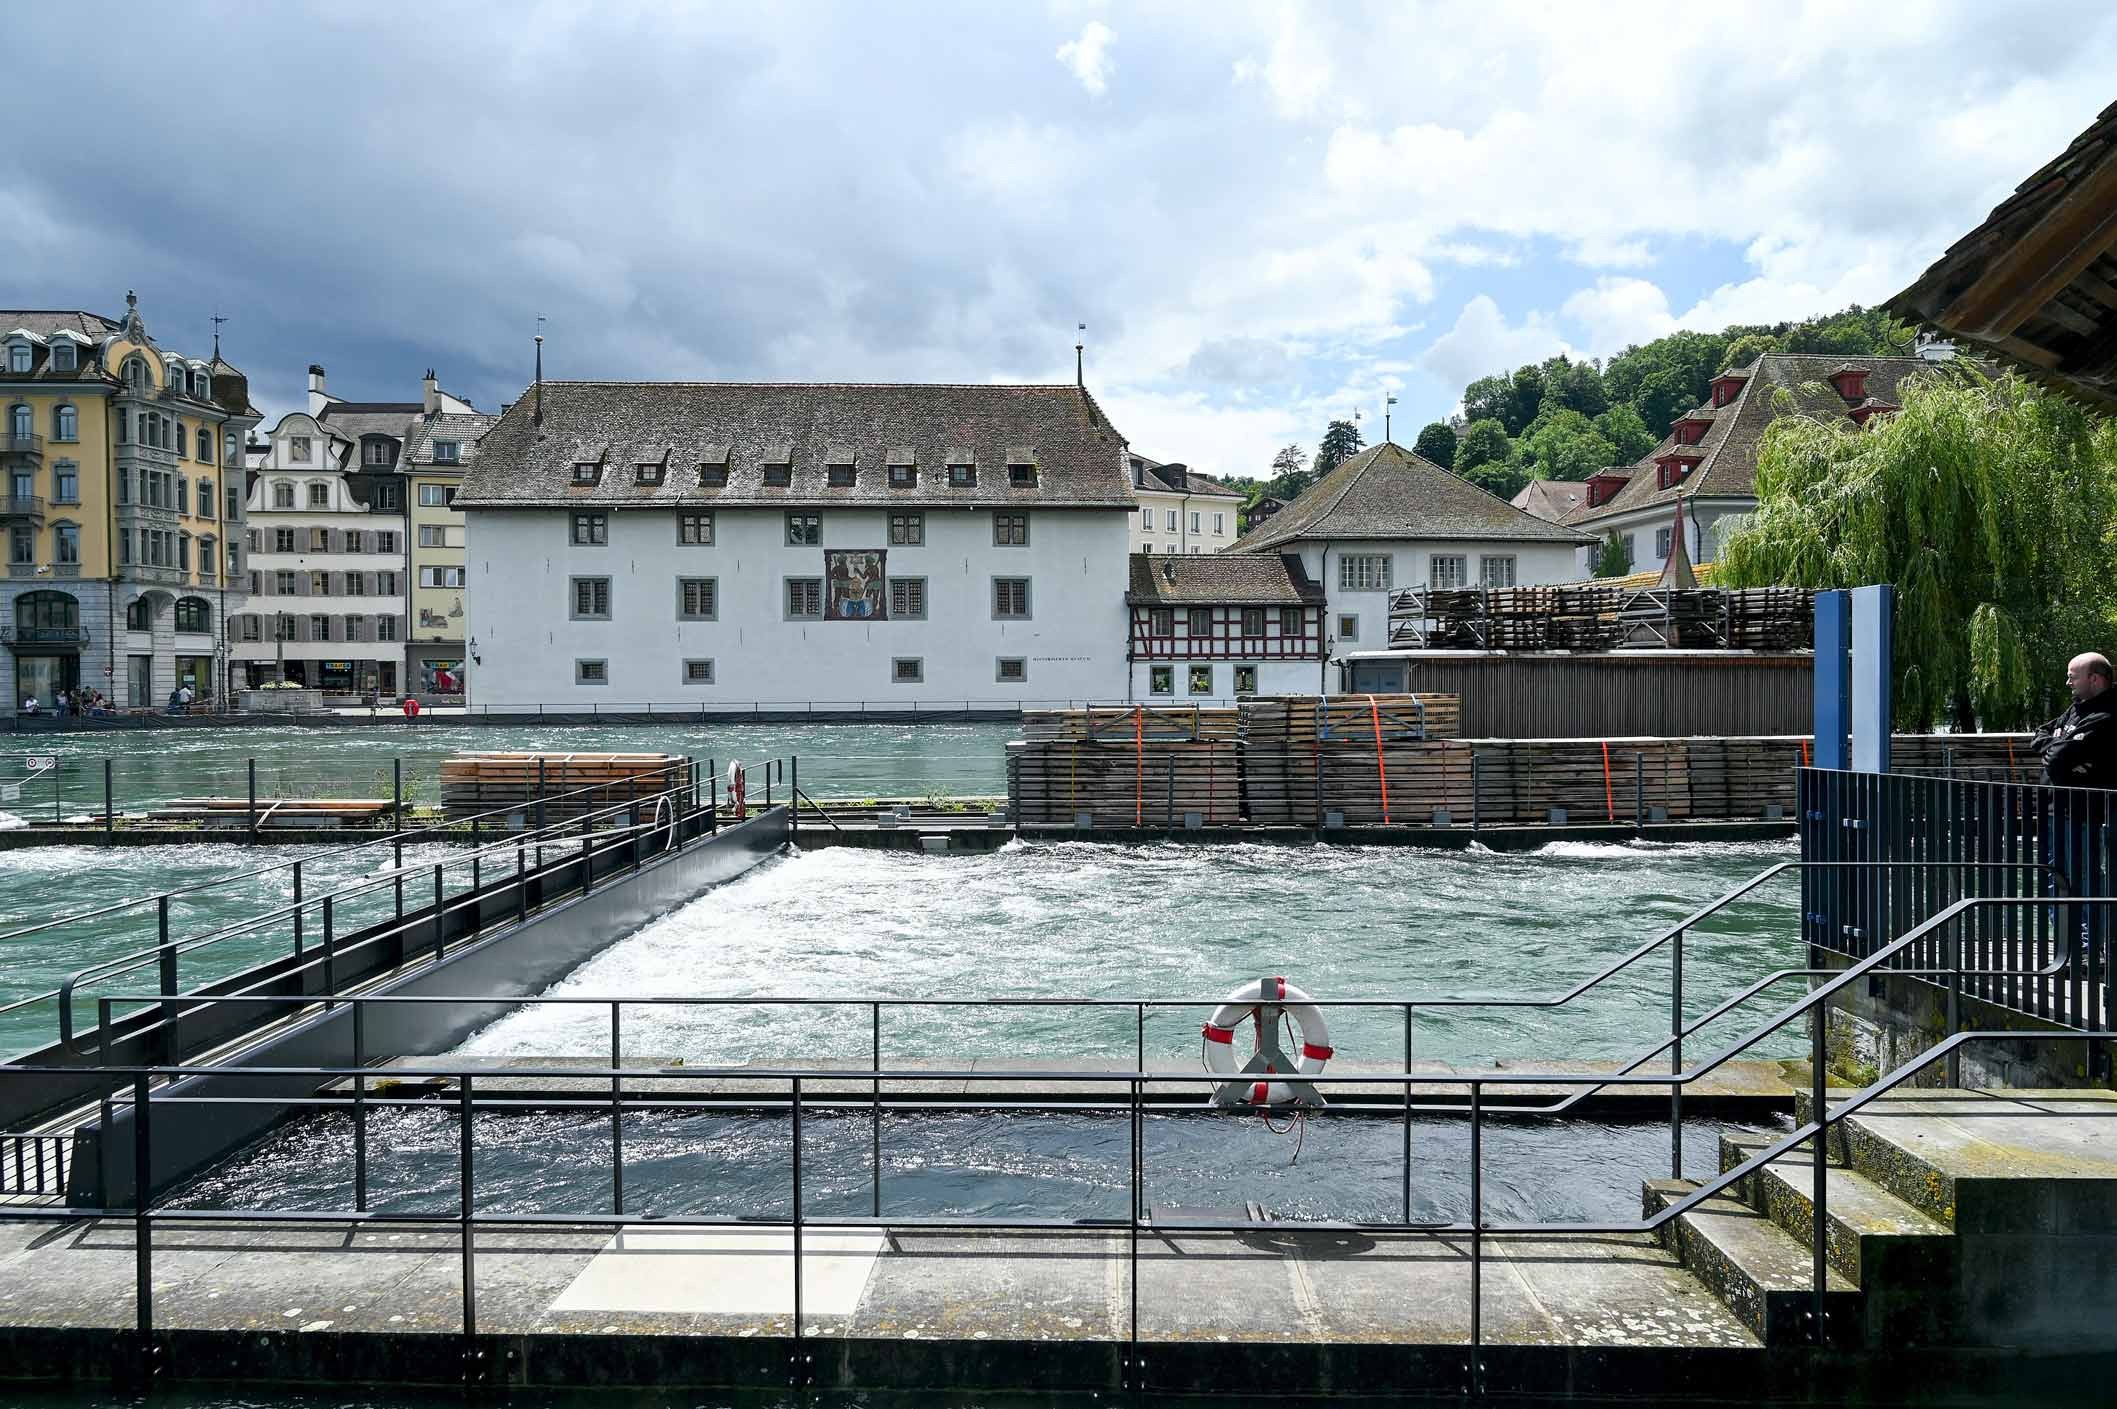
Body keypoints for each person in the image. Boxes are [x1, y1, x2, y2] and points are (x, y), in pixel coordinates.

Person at [2032, 653, 2117, 789]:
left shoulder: (2107, 715)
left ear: (2094, 678)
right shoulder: (2077, 707)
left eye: (2072, 677)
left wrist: (2056, 748)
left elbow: (2057, 757)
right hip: (2054, 804)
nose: (2068, 683)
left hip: (2085, 806)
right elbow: (2040, 733)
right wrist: (2060, 746)